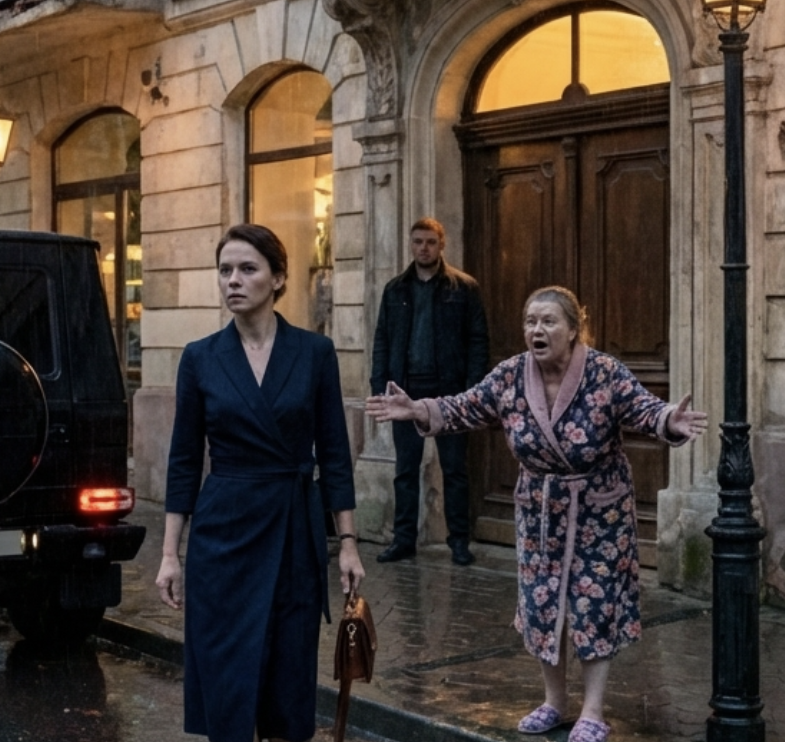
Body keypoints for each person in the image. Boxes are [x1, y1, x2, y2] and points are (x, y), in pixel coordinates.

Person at [365, 286, 707, 742]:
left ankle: (592, 711)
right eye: (530, 321)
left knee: (593, 605)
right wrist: (417, 409)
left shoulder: (604, 372)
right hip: (539, 511)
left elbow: (644, 409)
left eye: (548, 321)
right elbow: (465, 406)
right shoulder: (510, 376)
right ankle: (554, 702)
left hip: (599, 510)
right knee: (543, 604)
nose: (536, 330)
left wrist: (669, 421)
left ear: (573, 329)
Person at [156, 223, 366, 742]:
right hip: (223, 534)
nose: (233, 280)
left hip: (294, 530)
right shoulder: (200, 357)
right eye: (224, 270)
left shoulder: (314, 352)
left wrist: (347, 543)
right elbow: (184, 461)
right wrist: (169, 554)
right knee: (227, 671)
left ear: (278, 278)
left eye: (247, 269)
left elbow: (334, 454)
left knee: (288, 673)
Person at [370, 217, 489, 565]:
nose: (424, 248)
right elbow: (382, 339)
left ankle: (459, 542)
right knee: (405, 470)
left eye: (430, 242)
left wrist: (473, 391)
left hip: (448, 393)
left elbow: (478, 341)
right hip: (404, 391)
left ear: (442, 245)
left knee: (455, 470)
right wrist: (380, 387)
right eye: (418, 242)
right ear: (411, 245)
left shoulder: (464, 288)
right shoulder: (395, 289)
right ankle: (404, 540)